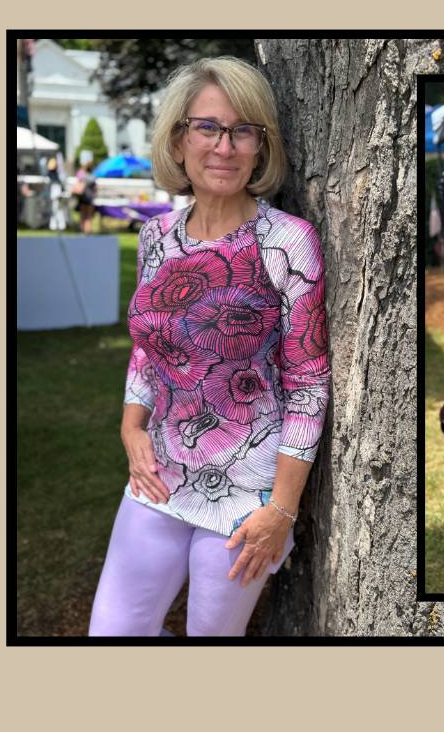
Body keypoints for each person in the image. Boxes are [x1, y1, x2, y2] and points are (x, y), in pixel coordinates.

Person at [89, 56, 331, 636]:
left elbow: (308, 383)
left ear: (261, 147)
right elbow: (149, 346)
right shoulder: (155, 236)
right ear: (178, 141)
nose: (225, 146)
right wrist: (130, 427)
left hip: (249, 495)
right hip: (159, 477)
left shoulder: (287, 242)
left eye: (243, 130)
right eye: (208, 127)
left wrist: (281, 509)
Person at [72, 159, 97, 233]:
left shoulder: (83, 176)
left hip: (83, 197)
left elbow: (78, 184)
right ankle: (88, 231)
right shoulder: (93, 177)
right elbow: (95, 189)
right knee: (89, 216)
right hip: (90, 198)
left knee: (83, 215)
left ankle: (82, 229)